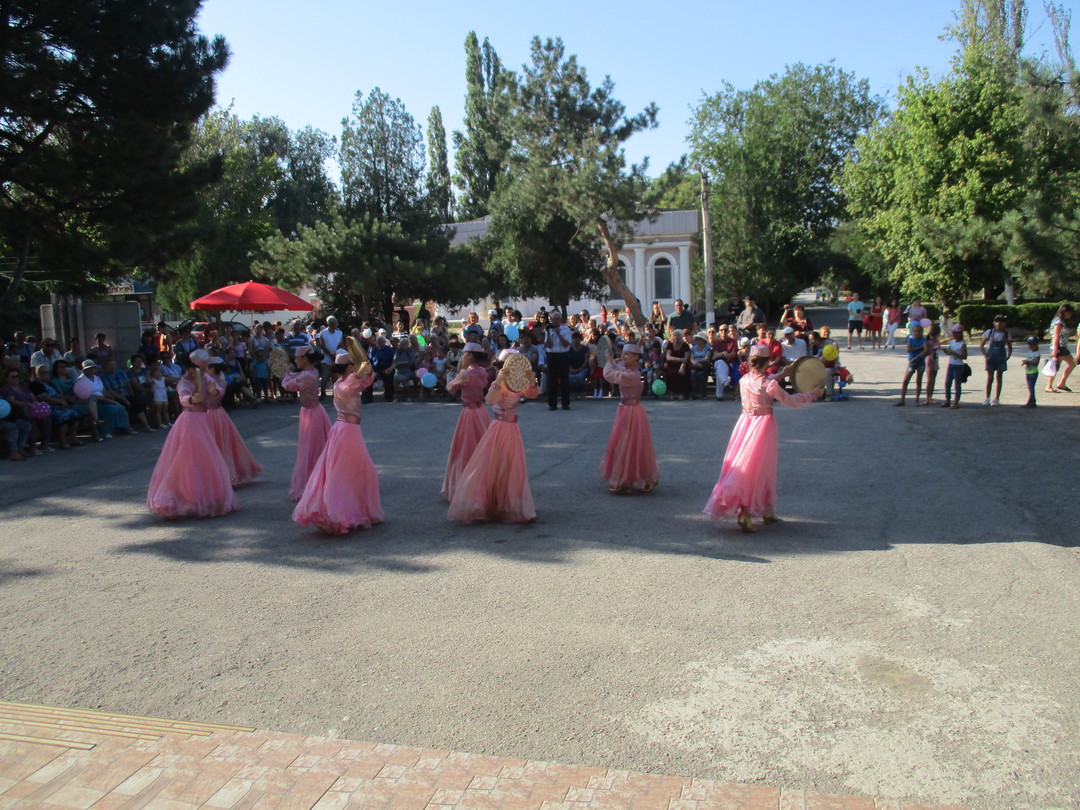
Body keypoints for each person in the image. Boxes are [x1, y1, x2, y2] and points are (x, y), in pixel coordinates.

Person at [703, 345, 822, 532]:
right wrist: (812, 395)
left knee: (746, 466)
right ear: (767, 363)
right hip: (762, 427)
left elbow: (765, 382)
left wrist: (783, 373)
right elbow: (790, 400)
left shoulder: (744, 380)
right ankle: (746, 513)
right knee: (760, 469)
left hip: (745, 424)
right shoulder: (769, 384)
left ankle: (765, 511)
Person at [293, 350, 382, 534]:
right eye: (354, 364)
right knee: (344, 473)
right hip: (345, 431)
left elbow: (366, 381)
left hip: (350, 430)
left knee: (361, 471)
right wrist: (359, 373)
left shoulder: (351, 382)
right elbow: (349, 387)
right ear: (349, 367)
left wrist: (368, 371)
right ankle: (339, 513)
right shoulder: (340, 385)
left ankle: (358, 509)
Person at [448, 351, 540, 524]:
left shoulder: (516, 383)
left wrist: (532, 378)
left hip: (512, 429)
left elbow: (533, 394)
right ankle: (483, 503)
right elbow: (490, 400)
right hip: (498, 428)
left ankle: (507, 503)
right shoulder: (502, 383)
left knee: (510, 465)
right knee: (491, 464)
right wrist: (498, 380)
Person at [146, 357, 239, 519]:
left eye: (204, 368)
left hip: (203, 421)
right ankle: (181, 497)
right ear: (190, 369)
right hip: (189, 422)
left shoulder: (205, 377)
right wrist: (192, 399)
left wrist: (214, 391)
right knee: (186, 459)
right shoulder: (185, 382)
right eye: (200, 369)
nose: (204, 372)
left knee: (207, 457)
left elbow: (217, 388)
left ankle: (208, 496)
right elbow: (184, 396)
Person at [598, 343, 659, 493]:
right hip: (627, 410)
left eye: (627, 354)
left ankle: (629, 479)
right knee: (625, 443)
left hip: (631, 412)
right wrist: (612, 360)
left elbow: (610, 375)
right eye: (623, 354)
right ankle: (628, 478)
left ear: (635, 358)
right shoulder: (630, 370)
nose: (623, 357)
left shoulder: (631, 375)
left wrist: (608, 361)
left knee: (629, 444)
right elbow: (618, 367)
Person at [198, 352, 263, 486]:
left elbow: (215, 392)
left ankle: (222, 475)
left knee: (219, 444)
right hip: (214, 413)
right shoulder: (215, 378)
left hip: (213, 414)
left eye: (207, 367)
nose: (204, 370)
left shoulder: (218, 380)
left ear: (211, 368)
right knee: (216, 444)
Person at [441, 343, 492, 503]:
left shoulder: (464, 373)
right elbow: (483, 385)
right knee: (482, 446)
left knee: (465, 448)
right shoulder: (482, 371)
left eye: (464, 354)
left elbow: (450, 388)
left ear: (470, 356)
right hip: (481, 411)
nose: (461, 357)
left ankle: (464, 486)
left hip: (468, 414)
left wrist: (454, 378)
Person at [279, 346, 331, 501]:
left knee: (311, 449)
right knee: (309, 448)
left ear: (305, 358)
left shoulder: (308, 375)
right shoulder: (309, 372)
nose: (295, 360)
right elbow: (295, 377)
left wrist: (286, 374)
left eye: (297, 358)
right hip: (311, 412)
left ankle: (314, 484)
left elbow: (289, 385)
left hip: (313, 414)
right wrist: (289, 373)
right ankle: (316, 482)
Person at [30, 364, 82, 449]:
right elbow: (44, 397)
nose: (46, 374)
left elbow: (59, 394)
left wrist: (63, 403)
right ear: (37, 374)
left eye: (47, 372)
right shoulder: (35, 385)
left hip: (58, 406)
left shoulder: (51, 383)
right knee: (63, 416)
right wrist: (60, 402)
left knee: (74, 414)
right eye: (43, 373)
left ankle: (72, 438)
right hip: (46, 408)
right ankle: (62, 441)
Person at [980, 315, 1013, 406]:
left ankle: (997, 398)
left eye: (1001, 322)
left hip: (1000, 358)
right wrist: (985, 355)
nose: (999, 323)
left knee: (999, 378)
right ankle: (987, 398)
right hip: (991, 358)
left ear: (1004, 323)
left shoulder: (1006, 334)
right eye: (997, 321)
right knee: (990, 378)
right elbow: (981, 345)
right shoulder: (989, 332)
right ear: (994, 323)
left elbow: (1010, 347)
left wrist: (1008, 356)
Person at [544, 310, 573, 410]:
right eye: (553, 319)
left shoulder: (566, 329)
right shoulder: (548, 329)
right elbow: (549, 345)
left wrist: (559, 334)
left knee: (565, 379)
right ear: (551, 320)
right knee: (552, 380)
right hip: (552, 355)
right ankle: (552, 404)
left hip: (563, 355)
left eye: (557, 319)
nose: (555, 321)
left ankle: (565, 403)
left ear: (561, 319)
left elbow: (566, 344)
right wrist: (548, 332)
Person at [894, 322, 928, 406]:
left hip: (920, 362)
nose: (917, 333)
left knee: (918, 381)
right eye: (915, 331)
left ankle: (917, 400)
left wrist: (917, 355)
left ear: (921, 332)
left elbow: (926, 350)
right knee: (906, 381)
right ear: (912, 331)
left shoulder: (924, 340)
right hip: (912, 362)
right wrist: (920, 348)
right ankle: (902, 399)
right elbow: (908, 350)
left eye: (919, 331)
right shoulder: (911, 339)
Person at [1045, 304, 1074, 393]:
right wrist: (1055, 349)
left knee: (1072, 364)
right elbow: (1056, 336)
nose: (1070, 315)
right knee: (1055, 366)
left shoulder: (1060, 321)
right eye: (1069, 313)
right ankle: (1048, 386)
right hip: (1059, 347)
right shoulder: (1058, 322)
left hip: (1063, 347)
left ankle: (1062, 383)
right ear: (1065, 312)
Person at [941, 325, 968, 409]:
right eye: (954, 333)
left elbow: (964, 356)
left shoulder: (962, 344)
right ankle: (948, 400)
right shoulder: (952, 342)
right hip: (951, 364)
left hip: (958, 365)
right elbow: (949, 353)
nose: (955, 335)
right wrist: (946, 351)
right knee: (947, 383)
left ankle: (956, 402)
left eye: (956, 333)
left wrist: (954, 353)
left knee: (957, 384)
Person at [663, 329, 691, 400]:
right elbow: (668, 357)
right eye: (674, 335)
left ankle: (683, 393)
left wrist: (682, 366)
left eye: (677, 335)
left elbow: (686, 358)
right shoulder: (670, 345)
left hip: (682, 365)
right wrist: (680, 359)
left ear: (681, 336)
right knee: (669, 372)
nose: (675, 337)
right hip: (672, 364)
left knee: (682, 372)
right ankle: (671, 392)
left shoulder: (685, 345)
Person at [688, 333, 713, 399]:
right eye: (697, 339)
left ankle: (703, 394)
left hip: (704, 365)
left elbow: (706, 358)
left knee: (702, 375)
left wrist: (699, 362)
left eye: (700, 339)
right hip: (695, 365)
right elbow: (691, 358)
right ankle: (693, 394)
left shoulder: (707, 348)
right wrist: (695, 363)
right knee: (693, 374)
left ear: (703, 340)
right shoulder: (693, 348)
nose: (698, 341)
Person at [923, 323, 942, 406]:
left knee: (933, 379)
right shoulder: (928, 342)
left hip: (935, 360)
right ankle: (927, 398)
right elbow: (926, 352)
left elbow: (939, 349)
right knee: (929, 380)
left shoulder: (937, 341)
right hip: (930, 360)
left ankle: (930, 398)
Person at [1021, 337, 1041, 407]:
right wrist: (1025, 362)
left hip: (1033, 372)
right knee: (1030, 387)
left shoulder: (1037, 353)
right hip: (1028, 371)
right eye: (1029, 344)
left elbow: (1036, 363)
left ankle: (1031, 402)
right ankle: (1032, 401)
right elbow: (1028, 360)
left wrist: (1028, 362)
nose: (1030, 346)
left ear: (1036, 345)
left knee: (1031, 387)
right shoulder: (1029, 352)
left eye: (1032, 345)